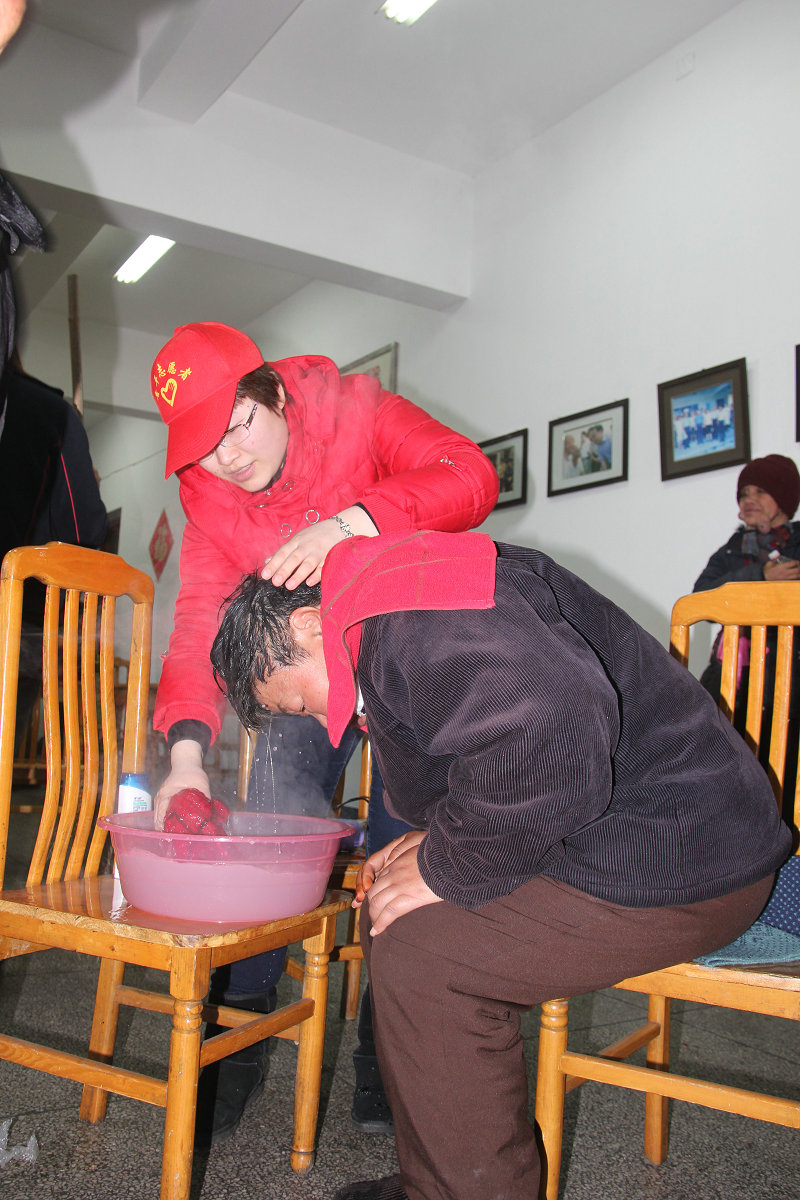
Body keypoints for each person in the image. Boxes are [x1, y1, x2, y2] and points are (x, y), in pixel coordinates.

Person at [210, 530, 791, 1200]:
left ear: (308, 624)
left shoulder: (417, 615)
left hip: (682, 856)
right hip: (628, 826)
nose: (320, 718)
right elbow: (497, 742)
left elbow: (555, 732)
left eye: (299, 702)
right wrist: (436, 842)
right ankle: (445, 1178)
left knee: (426, 955)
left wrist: (447, 862)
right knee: (391, 910)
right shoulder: (391, 606)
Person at [148, 321, 499, 1144]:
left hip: (408, 666)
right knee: (271, 824)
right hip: (308, 682)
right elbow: (199, 631)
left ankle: (388, 1052)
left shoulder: (358, 411)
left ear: (273, 393)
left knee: (404, 853)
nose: (228, 457)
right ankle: (239, 1035)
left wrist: (350, 523)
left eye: (239, 425)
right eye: (204, 446)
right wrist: (186, 757)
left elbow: (470, 475)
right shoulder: (211, 503)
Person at [694, 453, 800, 823]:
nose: (748, 499)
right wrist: (761, 576)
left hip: (787, 679)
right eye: (743, 494)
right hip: (730, 677)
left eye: (760, 491)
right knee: (716, 757)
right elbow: (701, 597)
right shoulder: (732, 549)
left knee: (782, 769)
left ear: (783, 499)